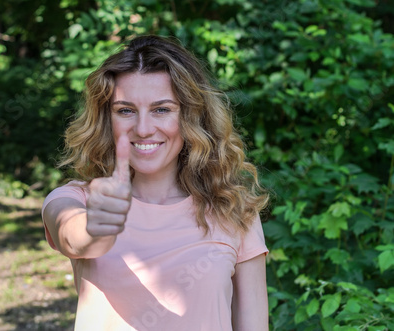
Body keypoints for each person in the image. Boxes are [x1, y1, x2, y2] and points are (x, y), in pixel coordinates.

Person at [41, 35, 270, 331]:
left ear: (190, 116)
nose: (144, 129)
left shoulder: (234, 211)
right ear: (106, 119)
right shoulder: (78, 199)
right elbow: (72, 236)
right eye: (125, 110)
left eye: (161, 109)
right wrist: (97, 225)